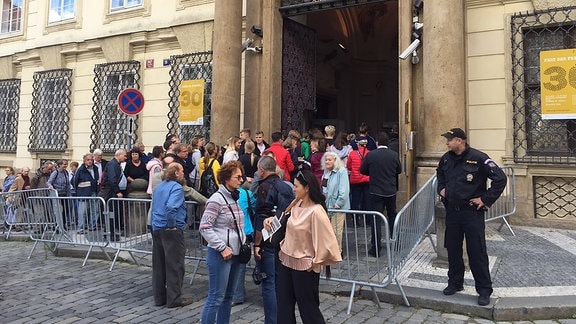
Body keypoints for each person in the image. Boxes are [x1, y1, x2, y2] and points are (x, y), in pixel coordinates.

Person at [437, 127, 507, 306]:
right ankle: (455, 283)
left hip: (471, 213)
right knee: (452, 249)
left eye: (450, 139)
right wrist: (441, 189)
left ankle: (484, 290)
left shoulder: (479, 158)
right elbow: (440, 175)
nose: (447, 142)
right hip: (452, 212)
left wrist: (485, 199)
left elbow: (500, 178)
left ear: (460, 141)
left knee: (477, 252)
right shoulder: (446, 158)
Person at [270, 170, 342, 324]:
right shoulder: (295, 203)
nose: (293, 189)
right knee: (284, 306)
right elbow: (283, 222)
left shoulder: (316, 211)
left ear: (307, 187)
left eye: (296, 186)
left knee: (308, 309)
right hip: (286, 261)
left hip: (305, 266)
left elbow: (328, 241)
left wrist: (315, 262)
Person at [199, 161, 246, 323]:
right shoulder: (216, 200)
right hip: (221, 255)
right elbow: (204, 227)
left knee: (228, 297)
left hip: (236, 254)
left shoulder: (235, 197)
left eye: (242, 177)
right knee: (216, 297)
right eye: (237, 177)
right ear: (226, 178)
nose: (241, 180)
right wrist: (222, 247)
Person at [252, 155, 295, 324]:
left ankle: (272, 320)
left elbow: (261, 218)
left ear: (262, 170)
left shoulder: (265, 187)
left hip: (268, 239)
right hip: (283, 239)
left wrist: (257, 244)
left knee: (268, 283)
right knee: (278, 282)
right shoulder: (286, 187)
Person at [151, 162, 194, 308]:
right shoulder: (176, 187)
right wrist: (172, 226)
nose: (183, 173)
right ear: (176, 173)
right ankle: (174, 298)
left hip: (157, 227)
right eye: (182, 171)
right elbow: (171, 207)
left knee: (159, 265)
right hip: (170, 229)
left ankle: (160, 298)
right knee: (174, 265)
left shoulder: (159, 187)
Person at [360, 132, 401, 257]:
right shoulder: (394, 155)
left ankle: (376, 248)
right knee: (392, 216)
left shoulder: (371, 155)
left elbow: (363, 170)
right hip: (390, 191)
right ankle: (394, 242)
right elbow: (399, 170)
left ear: (377, 142)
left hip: (375, 191)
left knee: (376, 219)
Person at [231, 184, 256, 306]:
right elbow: (255, 206)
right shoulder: (247, 194)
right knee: (240, 265)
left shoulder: (223, 194)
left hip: (235, 232)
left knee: (235, 265)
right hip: (244, 232)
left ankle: (237, 294)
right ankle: (238, 294)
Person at [321, 151, 350, 251]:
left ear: (335, 160)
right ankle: (329, 250)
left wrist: (339, 203)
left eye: (329, 160)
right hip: (327, 204)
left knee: (336, 231)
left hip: (337, 206)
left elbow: (344, 189)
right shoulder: (326, 172)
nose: (327, 162)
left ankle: (337, 251)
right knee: (327, 230)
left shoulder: (341, 171)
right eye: (326, 160)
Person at [99, 149, 127, 240]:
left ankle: (110, 232)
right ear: (119, 155)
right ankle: (109, 234)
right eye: (125, 155)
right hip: (109, 192)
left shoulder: (115, 164)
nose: (126, 157)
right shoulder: (113, 164)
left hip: (111, 192)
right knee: (110, 213)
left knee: (112, 213)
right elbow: (112, 179)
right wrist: (117, 191)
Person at [73, 153, 100, 233]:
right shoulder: (81, 169)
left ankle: (92, 226)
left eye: (91, 160)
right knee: (83, 211)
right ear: (84, 160)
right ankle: (80, 228)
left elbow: (96, 179)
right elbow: (75, 181)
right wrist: (79, 191)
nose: (90, 161)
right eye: (88, 160)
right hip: (83, 193)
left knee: (95, 210)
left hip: (93, 191)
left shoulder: (95, 168)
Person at [346, 139, 370, 227]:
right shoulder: (369, 153)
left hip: (355, 180)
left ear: (358, 144)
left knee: (355, 201)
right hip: (367, 179)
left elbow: (348, 166)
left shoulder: (352, 154)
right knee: (367, 200)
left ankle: (355, 221)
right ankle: (368, 221)